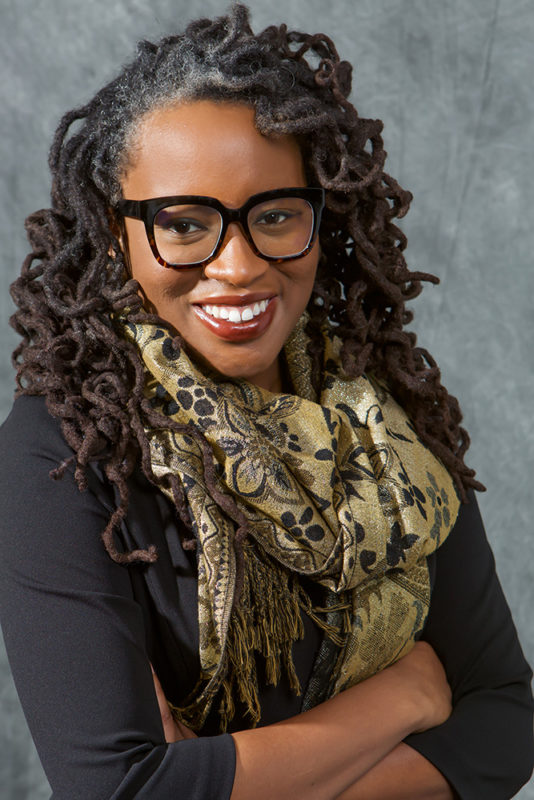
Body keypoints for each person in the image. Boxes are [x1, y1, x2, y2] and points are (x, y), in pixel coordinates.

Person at [0, 4, 532, 799]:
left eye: (276, 215)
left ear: (323, 219)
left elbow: (508, 718)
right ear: (118, 236)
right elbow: (122, 790)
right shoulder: (64, 450)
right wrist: (406, 696)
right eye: (185, 225)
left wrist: (232, 778)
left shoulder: (384, 426)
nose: (240, 265)